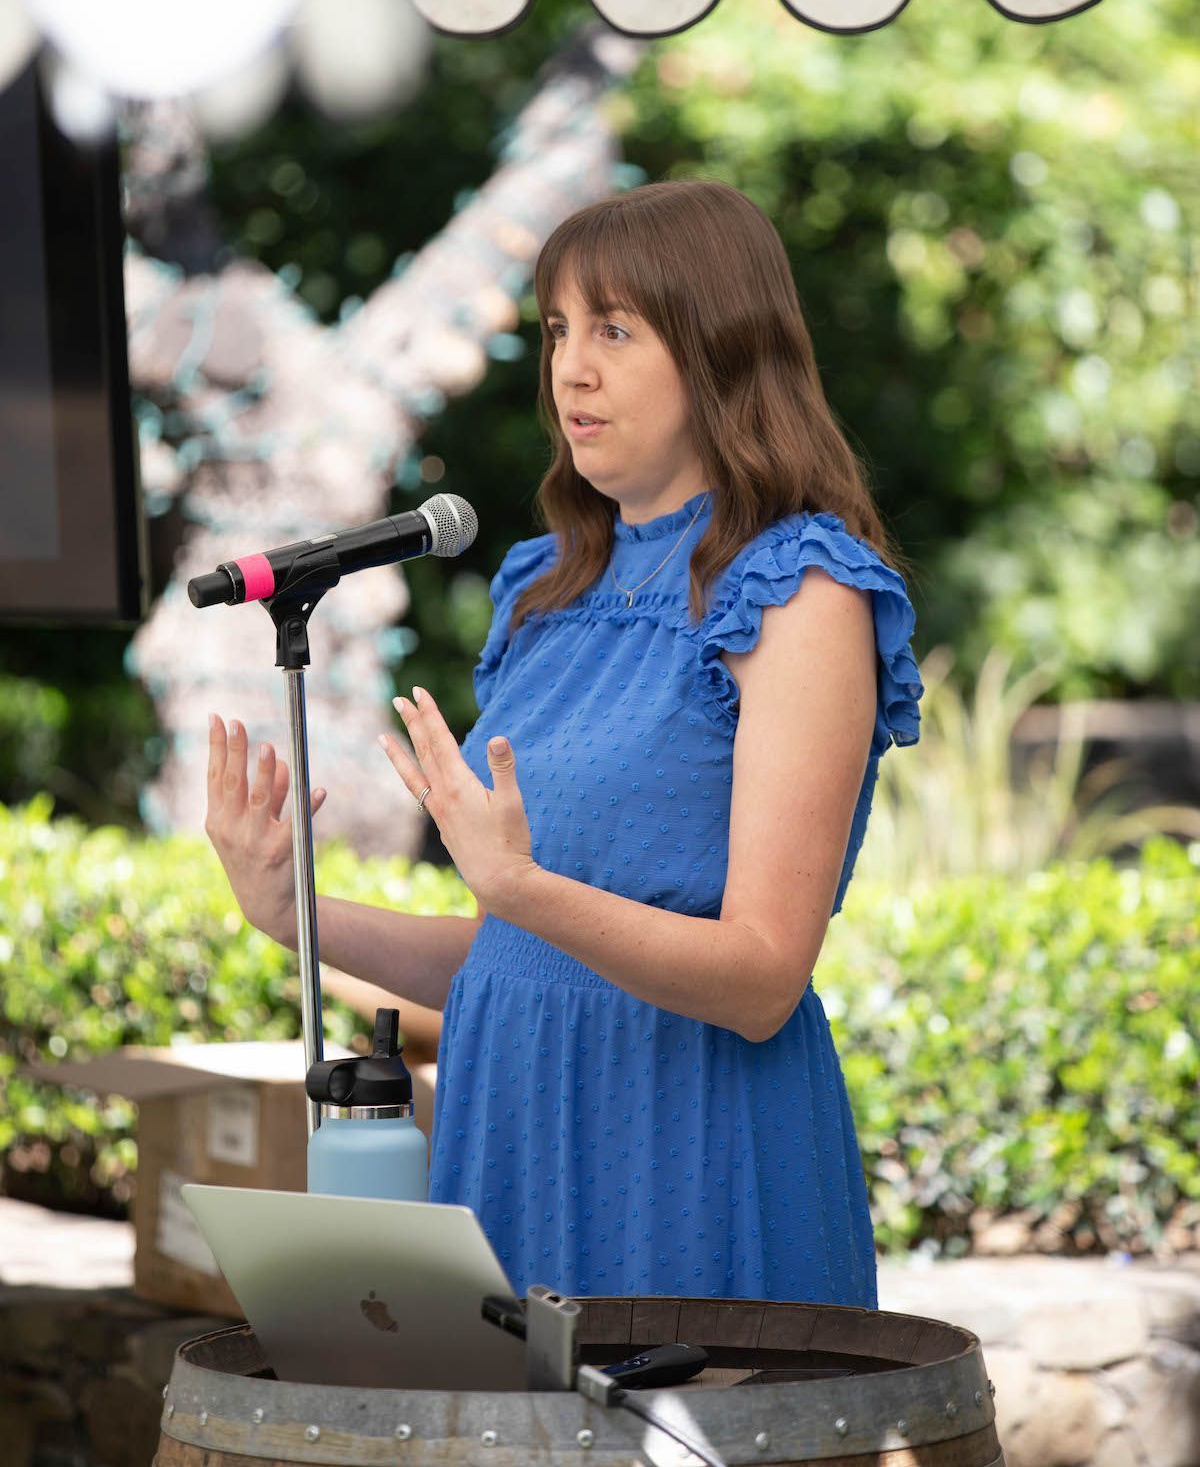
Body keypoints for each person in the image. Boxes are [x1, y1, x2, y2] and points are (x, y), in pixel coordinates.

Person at [204, 176, 924, 1308]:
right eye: (556, 331)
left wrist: (524, 890)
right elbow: (515, 949)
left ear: (721, 352)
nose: (570, 367)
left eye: (616, 330)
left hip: (688, 1144)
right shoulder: (545, 588)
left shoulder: (801, 589)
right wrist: (292, 915)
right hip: (516, 1137)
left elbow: (760, 981)